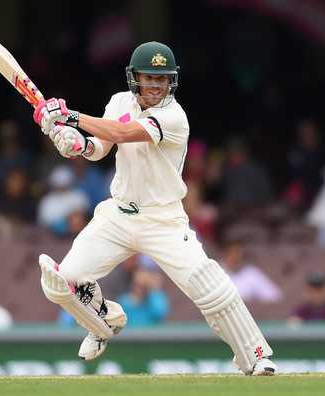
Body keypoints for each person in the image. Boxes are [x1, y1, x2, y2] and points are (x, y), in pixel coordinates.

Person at [32, 42, 276, 375]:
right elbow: (101, 146)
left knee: (211, 287)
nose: (156, 86)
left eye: (162, 79)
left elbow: (122, 132)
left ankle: (255, 354)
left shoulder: (173, 117)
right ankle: (103, 321)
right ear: (135, 78)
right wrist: (74, 143)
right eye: (149, 78)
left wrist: (70, 117)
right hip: (117, 214)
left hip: (163, 219)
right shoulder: (119, 101)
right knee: (60, 283)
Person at [221, 239, 282, 304]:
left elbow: (274, 296)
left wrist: (254, 302)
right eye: (235, 252)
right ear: (224, 253)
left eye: (241, 253)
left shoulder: (251, 273)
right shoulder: (215, 271)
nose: (238, 256)